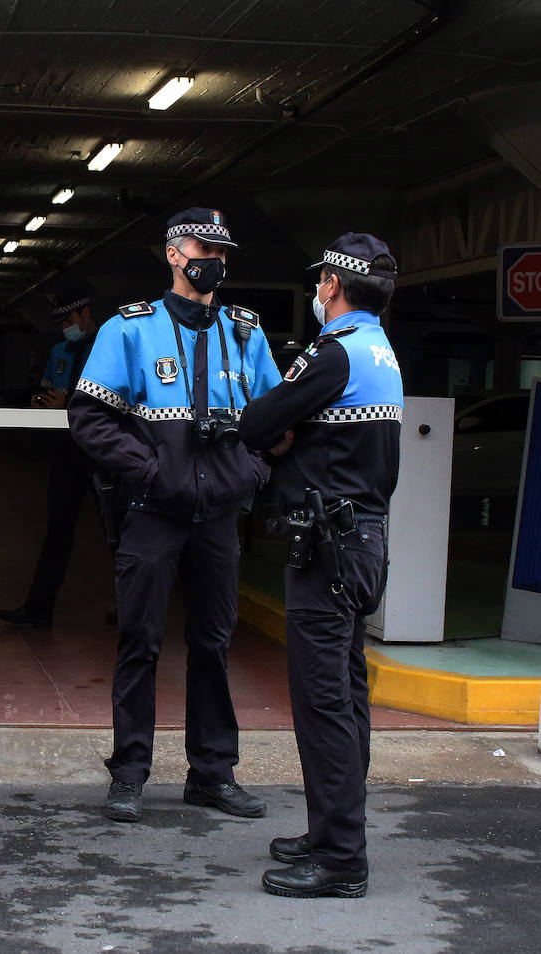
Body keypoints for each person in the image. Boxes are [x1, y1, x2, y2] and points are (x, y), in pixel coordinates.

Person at [68, 208, 283, 823]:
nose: (214, 257)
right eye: (203, 245)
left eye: (223, 248)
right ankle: (130, 772)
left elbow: (273, 419)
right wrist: (150, 471)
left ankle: (212, 773)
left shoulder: (245, 332)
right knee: (140, 642)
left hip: (218, 516)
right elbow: (88, 418)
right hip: (153, 513)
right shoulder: (129, 330)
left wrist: (252, 472)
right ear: (173, 254)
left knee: (214, 644)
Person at [239, 233, 403, 899]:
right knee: (348, 695)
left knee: (324, 702)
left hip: (330, 548)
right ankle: (334, 829)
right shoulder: (381, 351)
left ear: (332, 285)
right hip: (362, 542)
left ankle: (339, 859)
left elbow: (257, 423)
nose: (318, 291)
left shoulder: (333, 355)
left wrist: (286, 430)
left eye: (320, 282)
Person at [0, 286, 101, 628]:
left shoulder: (109, 348)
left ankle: (136, 606)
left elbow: (117, 399)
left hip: (105, 452)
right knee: (57, 531)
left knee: (124, 533)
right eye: (61, 323)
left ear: (85, 314)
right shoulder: (59, 351)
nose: (65, 328)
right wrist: (40, 404)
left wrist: (69, 402)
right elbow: (48, 390)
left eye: (70, 320)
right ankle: (39, 608)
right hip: (67, 452)